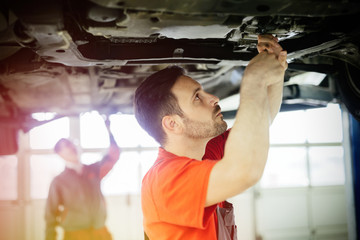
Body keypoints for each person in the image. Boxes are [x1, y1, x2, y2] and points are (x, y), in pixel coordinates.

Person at [134, 34, 288, 240]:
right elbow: (245, 172)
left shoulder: (205, 153)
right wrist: (254, 78)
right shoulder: (165, 180)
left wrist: (275, 75)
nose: (214, 98)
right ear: (173, 124)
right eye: (197, 97)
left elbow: (261, 121)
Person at [45, 117, 121, 240]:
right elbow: (50, 213)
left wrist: (109, 131)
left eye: (70, 144)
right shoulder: (59, 182)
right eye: (64, 147)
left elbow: (113, 156)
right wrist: (50, 237)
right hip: (75, 234)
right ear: (60, 154)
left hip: (100, 231)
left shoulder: (94, 170)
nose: (70, 148)